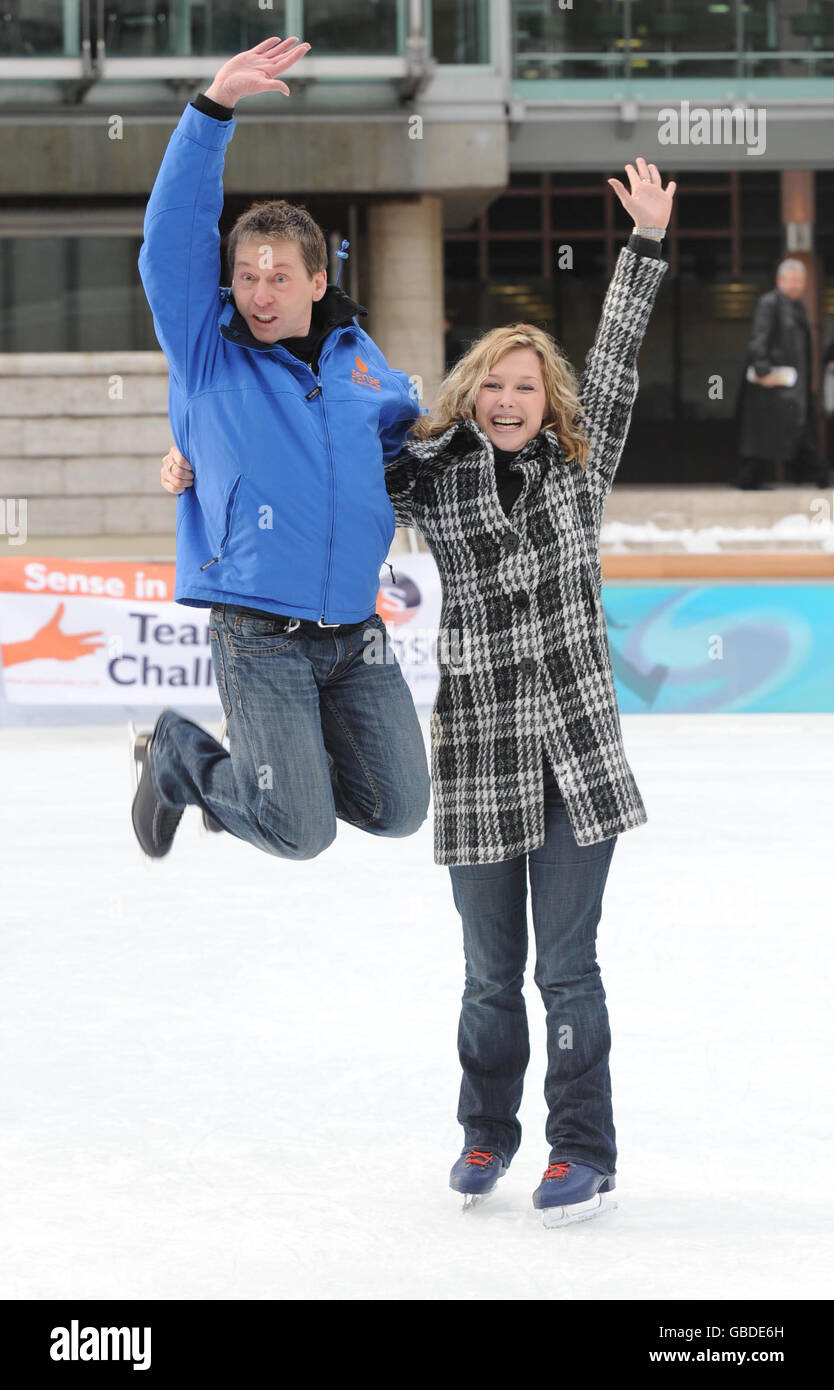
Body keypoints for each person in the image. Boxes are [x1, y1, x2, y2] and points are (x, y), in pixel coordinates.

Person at [164, 157, 674, 1227]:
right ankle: (487, 1130)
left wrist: (645, 246)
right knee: (491, 976)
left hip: (579, 767)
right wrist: (196, 459)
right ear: (472, 397)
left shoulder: (584, 470)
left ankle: (581, 1148)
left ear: (550, 405)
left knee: (568, 972)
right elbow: (321, 460)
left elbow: (620, 363)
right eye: (492, 385)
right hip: (483, 761)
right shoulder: (433, 476)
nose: (508, 400)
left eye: (527, 387)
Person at [134, 35, 430, 861]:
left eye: (277, 277)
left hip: (354, 630)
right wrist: (211, 111)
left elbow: (416, 448)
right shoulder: (207, 350)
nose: (258, 294)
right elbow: (168, 245)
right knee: (300, 830)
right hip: (259, 629)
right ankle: (181, 756)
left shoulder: (365, 364)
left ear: (315, 281)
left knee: (401, 808)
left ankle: (282, 766)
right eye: (245, 276)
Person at [732, 258, 829, 490]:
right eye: (792, 280)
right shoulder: (770, 303)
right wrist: (763, 371)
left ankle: (751, 479)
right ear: (780, 280)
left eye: (800, 281)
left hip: (792, 385)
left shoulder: (798, 307)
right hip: (773, 382)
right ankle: (821, 475)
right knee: (778, 431)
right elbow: (759, 338)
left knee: (788, 430)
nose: (796, 285)